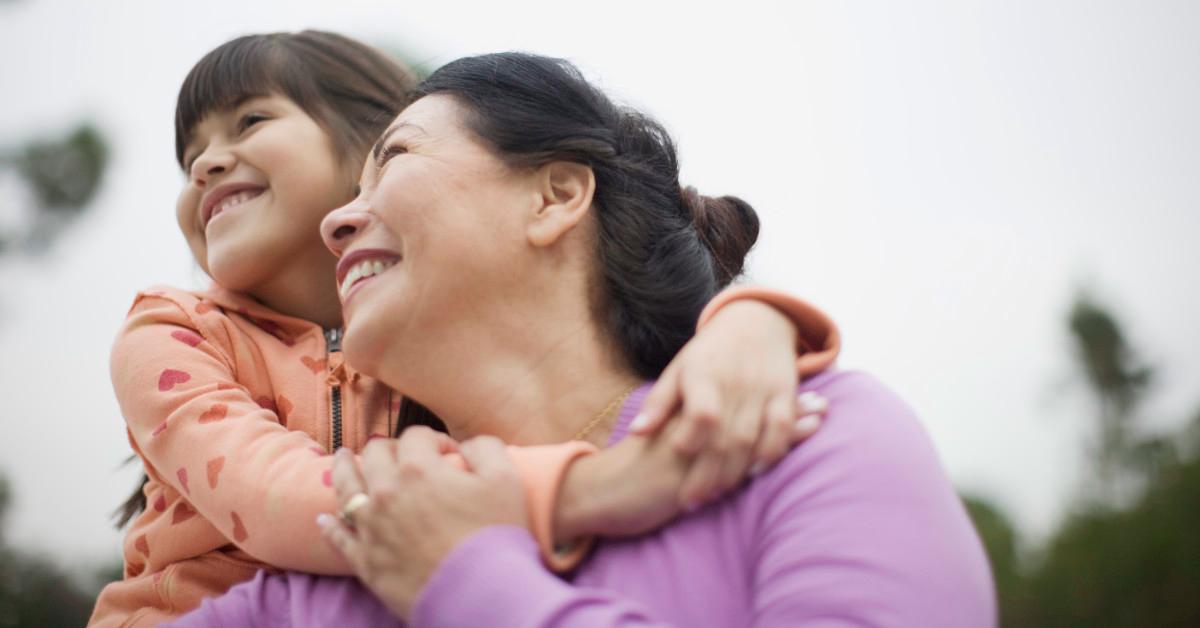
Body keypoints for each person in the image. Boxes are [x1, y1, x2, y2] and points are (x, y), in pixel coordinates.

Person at [173, 52, 995, 627]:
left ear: (556, 196)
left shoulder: (800, 438)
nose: (335, 221)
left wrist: (464, 581)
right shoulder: (354, 554)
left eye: (395, 161)